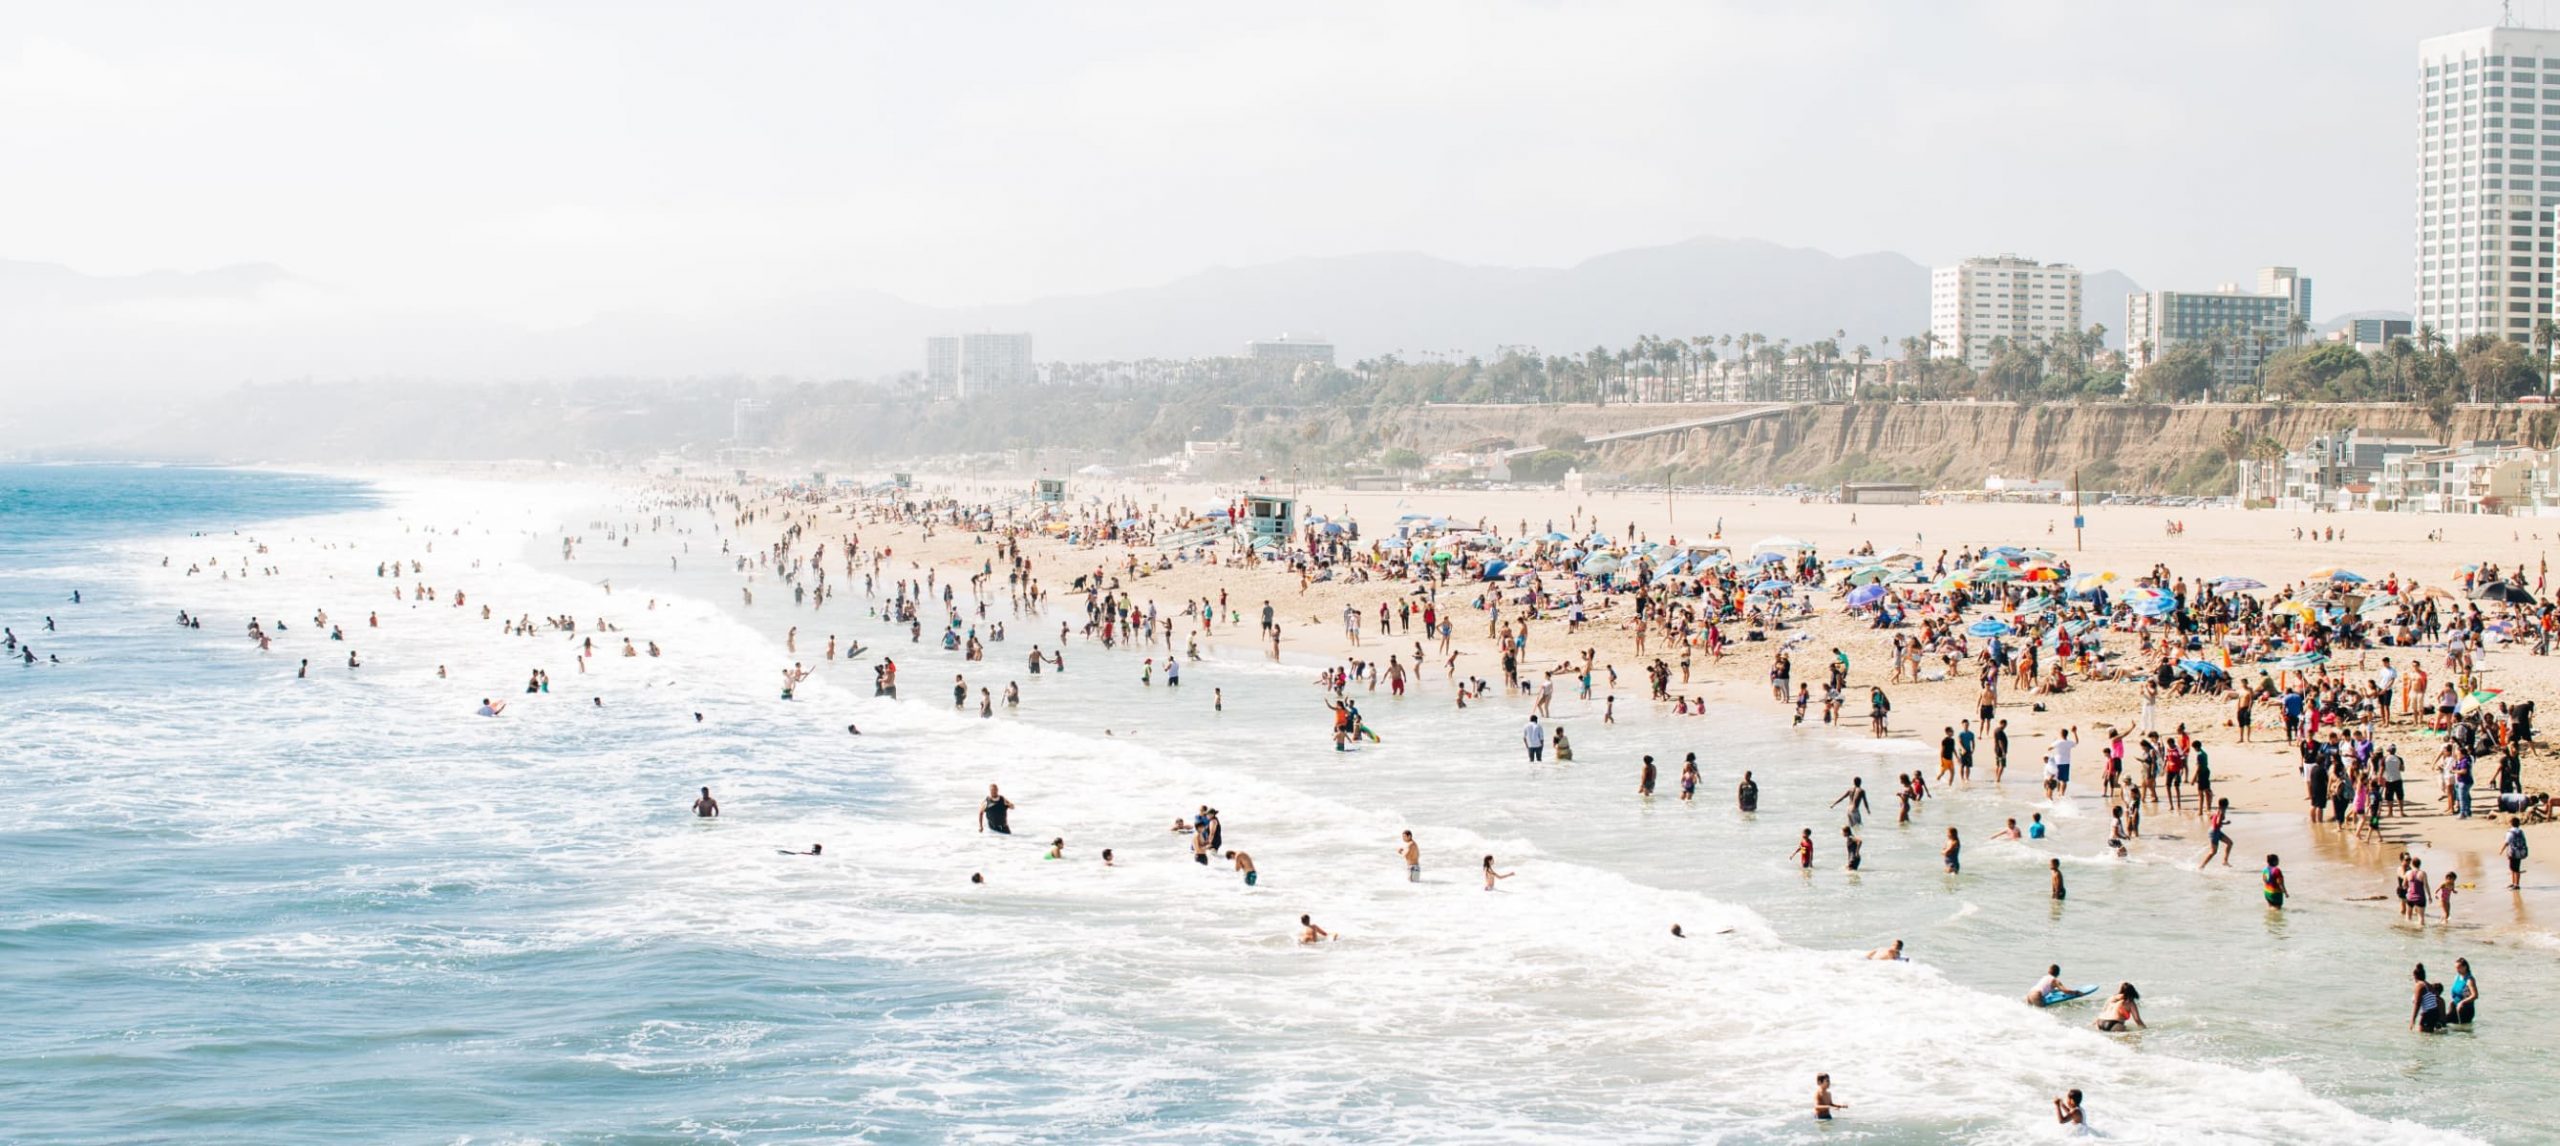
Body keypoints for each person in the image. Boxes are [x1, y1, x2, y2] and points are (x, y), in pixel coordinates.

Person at [2199, 798, 2235, 869]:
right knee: (2213, 852)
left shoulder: (2218, 810)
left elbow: (2211, 817)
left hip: (2216, 831)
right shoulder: (2221, 812)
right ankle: (2202, 866)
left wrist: (2215, 820)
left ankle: (2225, 861)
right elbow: (2218, 822)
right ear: (2226, 805)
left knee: (2230, 843)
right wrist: (2226, 823)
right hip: (2214, 832)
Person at [2411, 963, 2448, 1033]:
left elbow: (2417, 1003)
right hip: (2434, 1013)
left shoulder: (2419, 985)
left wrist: (2413, 1019)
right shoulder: (2428, 985)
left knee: (2423, 1038)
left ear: (2415, 976)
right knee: (2429, 1039)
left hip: (2428, 1014)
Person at [2502, 816, 2530, 890]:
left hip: (2513, 852)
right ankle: (2514, 883)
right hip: (2520, 851)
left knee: (2513, 868)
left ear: (2511, 823)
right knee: (2515, 867)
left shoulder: (2510, 832)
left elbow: (2507, 842)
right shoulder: (2521, 831)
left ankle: (2516, 884)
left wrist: (2501, 850)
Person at [2448, 957, 2479, 1024]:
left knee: (2462, 1031)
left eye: (2458, 968)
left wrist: (2462, 1002)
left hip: (2466, 1009)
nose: (2457, 970)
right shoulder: (2457, 977)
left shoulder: (2469, 980)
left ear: (2465, 967)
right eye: (2456, 968)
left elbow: (2475, 995)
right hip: (2455, 1006)